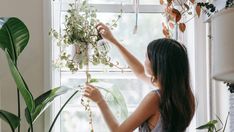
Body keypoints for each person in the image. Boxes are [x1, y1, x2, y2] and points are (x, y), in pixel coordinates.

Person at [83, 23, 195, 132]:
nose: (144, 59)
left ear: (158, 64)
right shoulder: (185, 97)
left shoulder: (155, 99)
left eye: (147, 56)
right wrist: (114, 41)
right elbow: (140, 72)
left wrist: (100, 101)